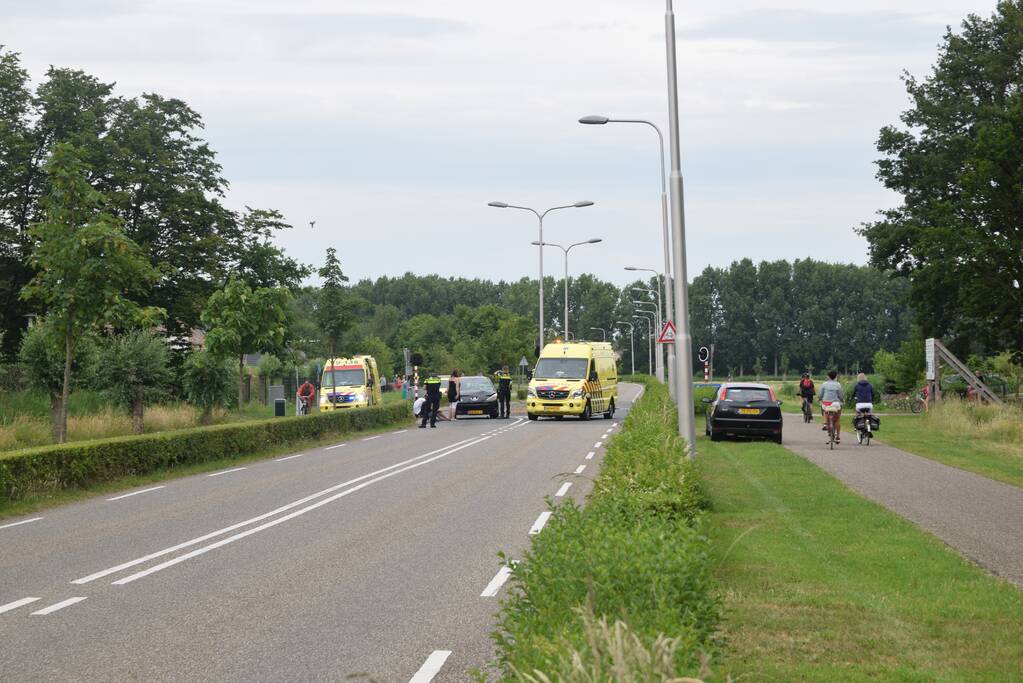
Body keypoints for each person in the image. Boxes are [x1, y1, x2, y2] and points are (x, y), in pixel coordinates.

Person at [819, 370, 845, 443]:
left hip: (826, 404)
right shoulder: (838, 385)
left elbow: (821, 394)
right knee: (837, 419)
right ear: (836, 376)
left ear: (828, 376)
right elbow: (840, 395)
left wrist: (820, 399)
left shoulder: (824, 384)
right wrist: (842, 400)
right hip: (835, 404)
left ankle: (825, 423)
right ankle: (838, 437)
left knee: (824, 409)